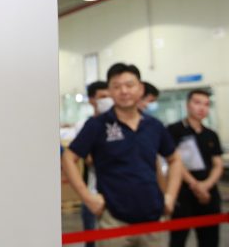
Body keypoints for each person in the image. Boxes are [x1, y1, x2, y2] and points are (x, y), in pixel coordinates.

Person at [62, 63, 182, 247]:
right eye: (117, 86)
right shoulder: (97, 125)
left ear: (140, 88)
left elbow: (174, 159)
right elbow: (69, 158)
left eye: (129, 85)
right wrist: (87, 198)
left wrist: (170, 197)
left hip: (153, 219)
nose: (124, 91)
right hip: (114, 220)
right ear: (110, 91)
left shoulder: (154, 126)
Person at [167, 89, 223, 247]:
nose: (201, 108)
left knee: (210, 239)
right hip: (183, 193)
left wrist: (206, 185)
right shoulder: (174, 130)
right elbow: (174, 161)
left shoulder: (211, 134)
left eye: (206, 104)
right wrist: (196, 185)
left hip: (209, 194)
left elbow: (217, 164)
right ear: (187, 105)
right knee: (178, 239)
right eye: (197, 103)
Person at [78, 81, 112, 247]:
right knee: (91, 235)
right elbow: (87, 158)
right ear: (92, 100)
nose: (108, 100)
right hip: (93, 190)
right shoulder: (88, 125)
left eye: (109, 96)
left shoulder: (116, 123)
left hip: (117, 191)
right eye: (103, 97)